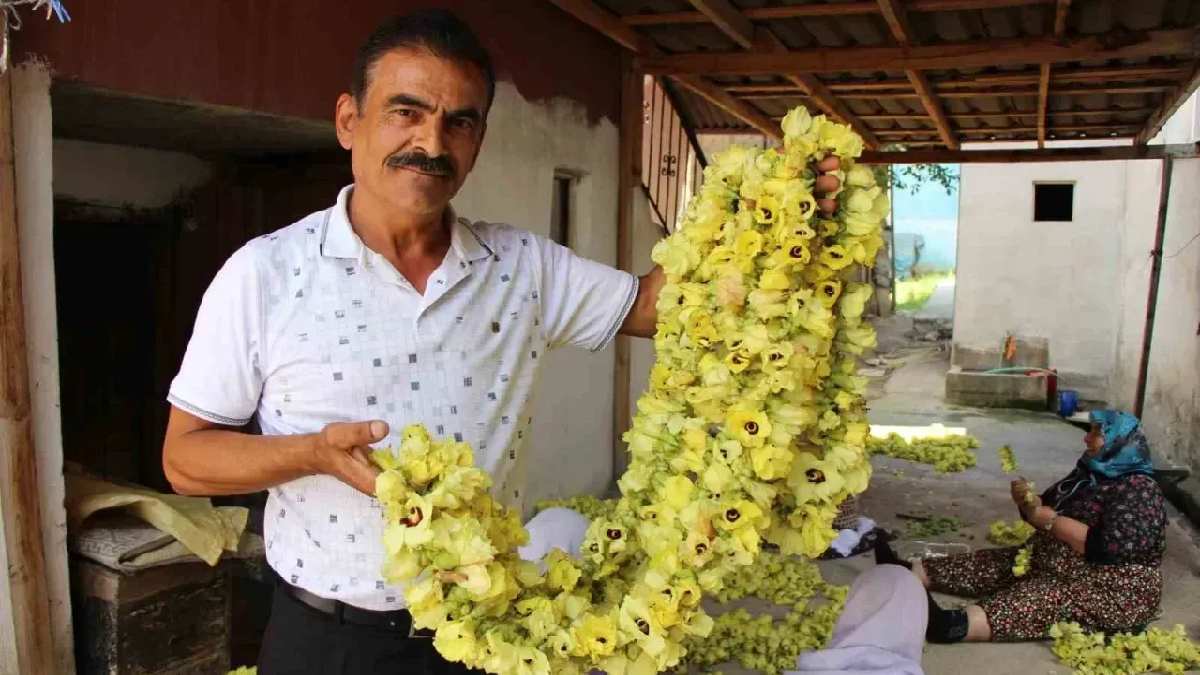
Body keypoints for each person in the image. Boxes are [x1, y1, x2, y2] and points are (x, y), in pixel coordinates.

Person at [160, 8, 849, 674]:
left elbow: (653, 305)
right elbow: (185, 459)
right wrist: (310, 453)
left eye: (459, 122)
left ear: (478, 140)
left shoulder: (521, 267)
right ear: (349, 120)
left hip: (486, 637)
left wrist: (770, 210)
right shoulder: (267, 273)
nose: (431, 144)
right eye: (406, 111)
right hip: (327, 639)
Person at [878, 410, 1167, 644]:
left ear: (1119, 442)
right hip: (1055, 562)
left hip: (1111, 588)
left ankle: (957, 626)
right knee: (994, 563)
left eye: (1096, 433)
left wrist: (1051, 521)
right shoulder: (1088, 473)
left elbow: (1108, 549)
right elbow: (1046, 506)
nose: (1087, 439)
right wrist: (1028, 503)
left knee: (1043, 598)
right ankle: (912, 573)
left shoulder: (1139, 490)